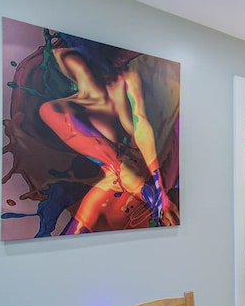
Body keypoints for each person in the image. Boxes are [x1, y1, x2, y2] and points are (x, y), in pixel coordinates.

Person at [37, 39, 179, 233]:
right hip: (109, 200)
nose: (67, 59)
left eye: (70, 51)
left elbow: (142, 126)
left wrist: (160, 188)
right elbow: (115, 162)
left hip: (141, 201)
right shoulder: (57, 110)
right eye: (60, 55)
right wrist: (156, 199)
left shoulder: (126, 79)